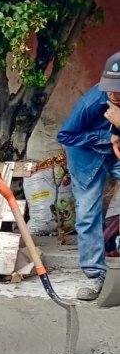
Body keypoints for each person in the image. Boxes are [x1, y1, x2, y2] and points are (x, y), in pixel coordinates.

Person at [57, 51, 120, 300]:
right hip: (85, 155)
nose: (113, 94)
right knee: (87, 215)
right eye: (111, 88)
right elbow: (65, 135)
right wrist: (106, 136)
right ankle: (96, 276)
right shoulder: (91, 103)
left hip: (115, 151)